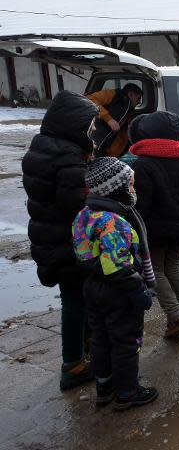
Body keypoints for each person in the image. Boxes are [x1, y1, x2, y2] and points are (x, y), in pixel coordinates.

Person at [21, 91, 96, 391]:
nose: (92, 131)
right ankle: (73, 364)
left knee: (78, 297)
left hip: (49, 235)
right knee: (75, 300)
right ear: (73, 124)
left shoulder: (41, 148)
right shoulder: (67, 155)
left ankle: (85, 349)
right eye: (89, 125)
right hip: (67, 240)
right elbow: (74, 202)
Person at [73, 157, 158, 411]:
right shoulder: (113, 222)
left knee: (100, 339)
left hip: (93, 288)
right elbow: (118, 268)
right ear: (116, 187)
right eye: (130, 184)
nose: (133, 189)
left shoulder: (84, 215)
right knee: (126, 343)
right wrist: (140, 292)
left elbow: (82, 254)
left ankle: (105, 386)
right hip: (118, 292)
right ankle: (127, 393)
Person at [129, 111, 179, 337]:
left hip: (154, 232)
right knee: (172, 267)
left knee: (154, 271)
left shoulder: (142, 164)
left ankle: (176, 316)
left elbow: (140, 206)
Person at [87, 83, 143, 157]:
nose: (139, 102)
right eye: (138, 98)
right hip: (92, 141)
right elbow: (90, 100)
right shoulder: (113, 95)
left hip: (104, 148)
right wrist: (109, 119)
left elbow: (122, 135)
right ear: (130, 94)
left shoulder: (129, 110)